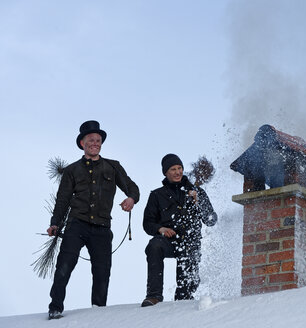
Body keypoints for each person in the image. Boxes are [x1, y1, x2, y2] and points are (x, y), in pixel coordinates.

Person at [46, 120, 140, 319]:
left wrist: (131, 199)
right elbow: (62, 200)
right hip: (76, 224)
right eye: (91, 140)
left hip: (102, 227)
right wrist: (55, 222)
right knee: (64, 264)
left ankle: (98, 313)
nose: (95, 143)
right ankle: (55, 307)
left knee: (102, 272)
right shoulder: (72, 170)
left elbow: (132, 188)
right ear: (82, 143)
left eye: (98, 140)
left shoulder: (113, 167)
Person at [141, 154, 217, 307]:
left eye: (179, 168)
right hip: (168, 241)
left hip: (190, 243)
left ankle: (183, 303)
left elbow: (211, 220)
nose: (177, 172)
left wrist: (199, 203)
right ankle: (154, 296)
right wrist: (160, 229)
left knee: (186, 292)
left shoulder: (197, 192)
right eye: (173, 169)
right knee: (154, 246)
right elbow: (147, 223)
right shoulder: (156, 195)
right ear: (165, 173)